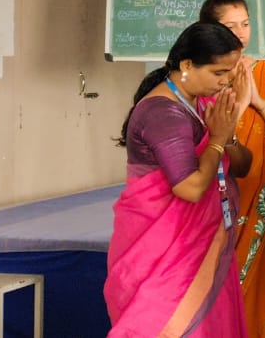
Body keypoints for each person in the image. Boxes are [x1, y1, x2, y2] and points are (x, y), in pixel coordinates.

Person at [104, 22, 253, 337]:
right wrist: (217, 139)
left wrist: (227, 134)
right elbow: (190, 188)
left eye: (232, 71)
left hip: (205, 248)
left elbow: (242, 165)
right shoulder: (164, 113)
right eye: (218, 72)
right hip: (168, 254)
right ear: (187, 65)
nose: (226, 80)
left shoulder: (203, 103)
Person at [199, 0, 265, 337]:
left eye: (245, 24)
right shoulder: (201, 78)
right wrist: (239, 103)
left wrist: (257, 99)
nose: (240, 33)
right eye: (229, 25)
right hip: (216, 198)